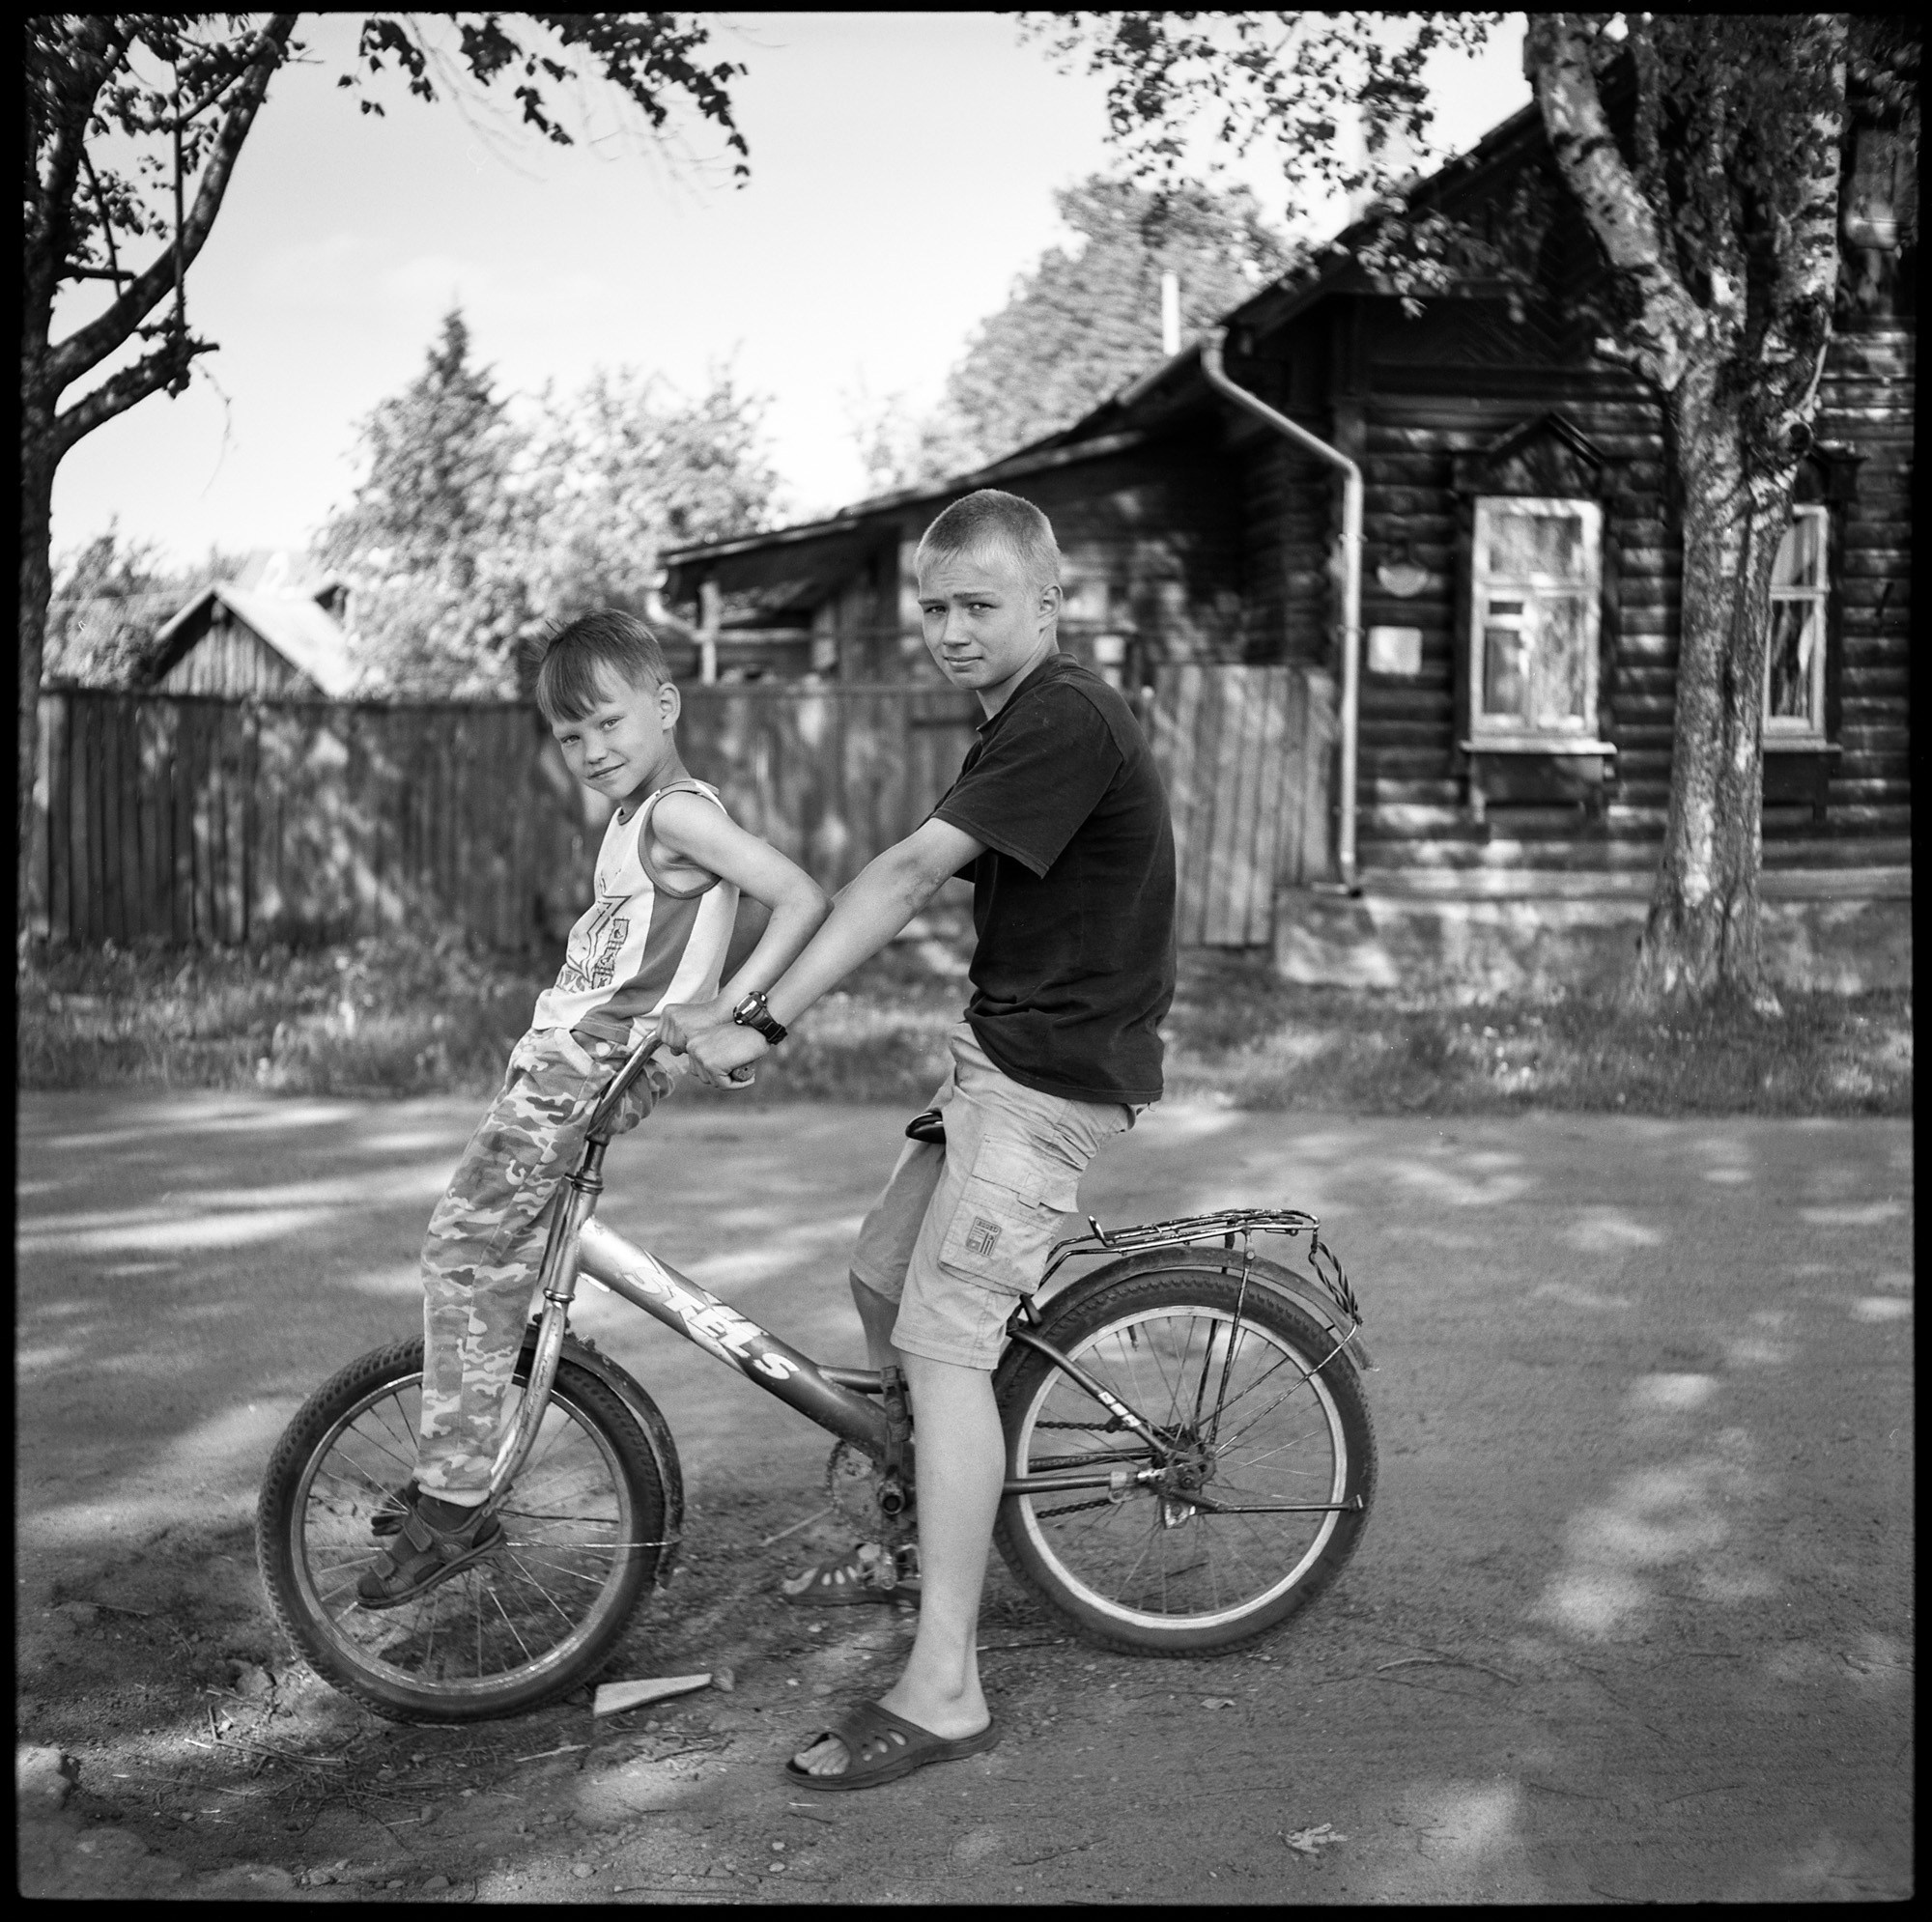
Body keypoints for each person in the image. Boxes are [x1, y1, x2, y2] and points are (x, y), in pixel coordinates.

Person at [666, 489, 1176, 1791]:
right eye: (935, 609)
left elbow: (897, 877)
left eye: (978, 605)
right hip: (1001, 1056)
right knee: (884, 1278)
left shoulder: (1062, 715)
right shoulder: (1021, 720)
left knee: (946, 1349)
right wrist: (727, 1001)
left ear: (1049, 606)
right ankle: (926, 1520)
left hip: (1047, 1082)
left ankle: (945, 1685)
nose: (950, 629)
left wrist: (763, 1019)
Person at [357, 610, 830, 1607]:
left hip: (583, 1072)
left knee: (465, 1250)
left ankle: (453, 1497)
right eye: (571, 737)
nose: (592, 749)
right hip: (566, 1067)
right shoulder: (634, 822)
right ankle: (466, 1451)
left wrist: (732, 1011)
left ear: (664, 704)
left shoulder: (673, 816)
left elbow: (797, 894)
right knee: (498, 1260)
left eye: (608, 722)